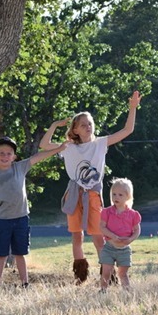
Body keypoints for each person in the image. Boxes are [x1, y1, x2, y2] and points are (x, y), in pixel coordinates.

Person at [39, 91, 141, 284]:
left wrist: (133, 107)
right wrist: (54, 126)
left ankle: (108, 276)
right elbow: (44, 145)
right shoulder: (68, 147)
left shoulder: (100, 143)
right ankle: (80, 276)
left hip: (93, 194)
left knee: (98, 236)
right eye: (83, 125)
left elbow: (127, 130)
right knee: (77, 236)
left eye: (90, 124)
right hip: (74, 194)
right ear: (75, 129)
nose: (88, 127)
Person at [0, 136, 67, 287]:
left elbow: (39, 156)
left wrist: (59, 149)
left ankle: (25, 284)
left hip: (21, 218)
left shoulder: (20, 167)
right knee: (1, 254)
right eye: (1, 153)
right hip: (3, 220)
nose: (5, 156)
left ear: (14, 157)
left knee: (20, 253)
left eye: (9, 153)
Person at [99, 177, 141, 292]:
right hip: (109, 247)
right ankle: (103, 291)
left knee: (123, 273)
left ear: (128, 196)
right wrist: (113, 236)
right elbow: (102, 227)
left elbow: (137, 230)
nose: (116, 197)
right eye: (114, 194)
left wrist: (130, 239)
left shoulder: (133, 215)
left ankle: (127, 292)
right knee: (106, 271)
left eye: (120, 195)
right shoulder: (107, 212)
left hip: (124, 249)